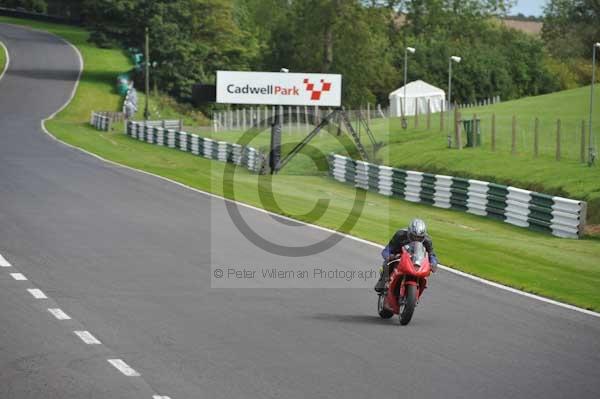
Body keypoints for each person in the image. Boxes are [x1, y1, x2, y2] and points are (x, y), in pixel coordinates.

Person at [374, 218, 438, 293]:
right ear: (409, 233)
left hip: (416, 260)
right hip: (398, 256)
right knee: (387, 263)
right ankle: (382, 281)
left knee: (426, 272)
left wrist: (433, 263)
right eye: (414, 236)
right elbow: (387, 249)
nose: (416, 239)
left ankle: (419, 287)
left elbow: (432, 254)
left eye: (419, 238)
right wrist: (389, 256)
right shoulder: (400, 235)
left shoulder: (427, 241)